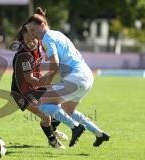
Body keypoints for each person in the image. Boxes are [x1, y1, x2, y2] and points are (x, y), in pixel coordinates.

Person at [24, 7, 110, 147]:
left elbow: (55, 64)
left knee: (43, 104)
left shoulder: (47, 38)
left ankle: (76, 127)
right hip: (87, 77)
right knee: (67, 111)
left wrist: (48, 82)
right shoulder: (57, 33)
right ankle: (99, 134)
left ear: (43, 25)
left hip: (76, 76)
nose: (33, 35)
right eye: (30, 32)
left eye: (34, 31)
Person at [10, 25, 68, 149]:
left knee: (61, 100)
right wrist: (48, 80)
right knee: (46, 115)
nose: (30, 43)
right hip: (22, 93)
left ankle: (52, 129)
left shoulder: (40, 46)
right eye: (26, 41)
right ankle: (53, 141)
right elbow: (30, 79)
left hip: (34, 87)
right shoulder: (24, 56)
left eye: (33, 39)